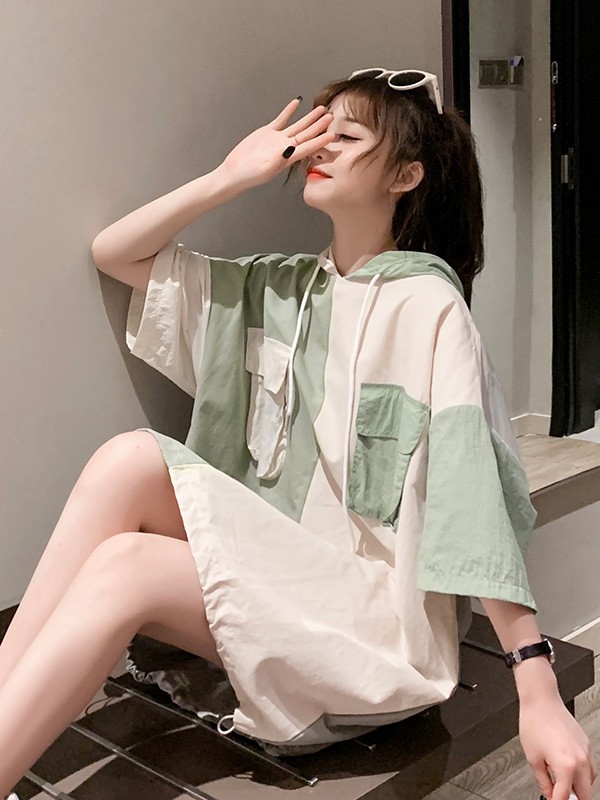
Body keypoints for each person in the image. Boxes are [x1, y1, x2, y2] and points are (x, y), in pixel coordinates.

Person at [0, 68, 596, 800]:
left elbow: (472, 500)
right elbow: (115, 253)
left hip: (377, 630)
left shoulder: (429, 308)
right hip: (285, 573)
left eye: (348, 135)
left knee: (127, 565)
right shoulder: (282, 289)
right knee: (129, 459)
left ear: (406, 175)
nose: (321, 147)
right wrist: (229, 177)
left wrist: (536, 685)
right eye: (318, 131)